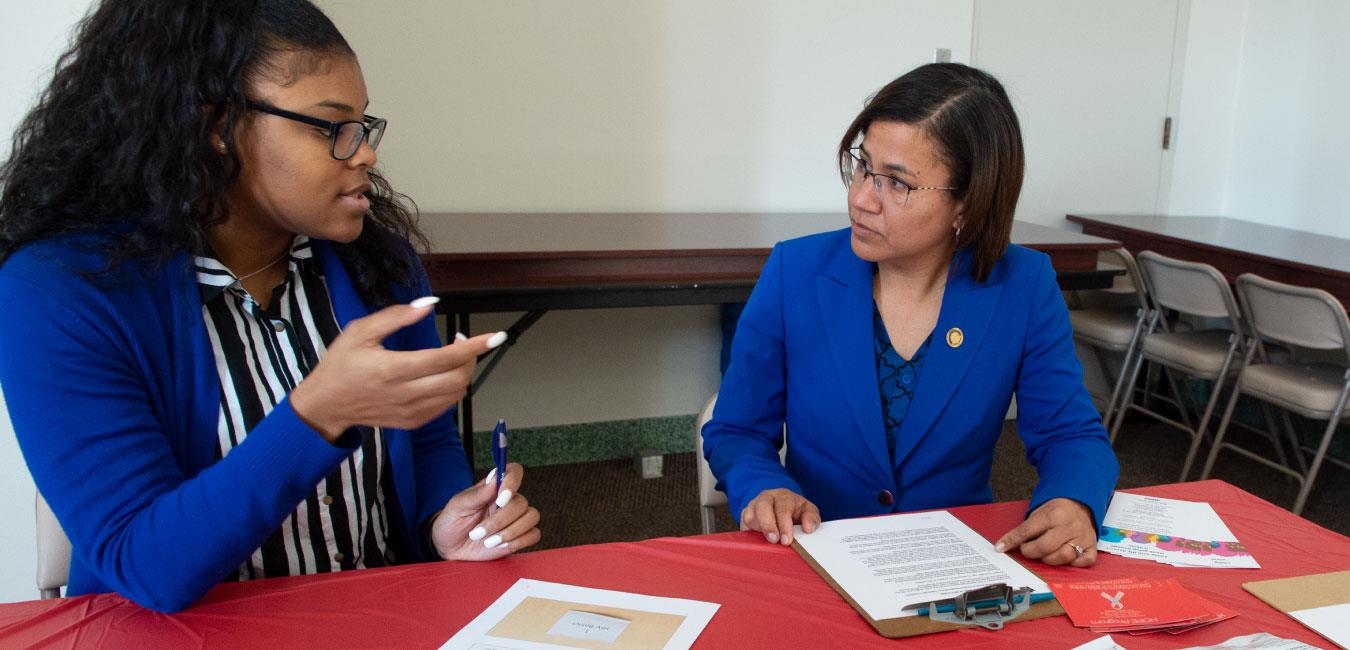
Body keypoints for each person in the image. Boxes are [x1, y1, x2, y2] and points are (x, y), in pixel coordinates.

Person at [0, 0, 539, 612]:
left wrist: (441, 521)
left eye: (363, 126)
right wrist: (317, 413)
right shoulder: (59, 294)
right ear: (214, 123)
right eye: (329, 126)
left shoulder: (377, 265)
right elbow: (145, 566)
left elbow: (425, 441)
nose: (364, 153)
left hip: (378, 619)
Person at [701, 63, 1118, 567]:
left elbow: (1071, 434)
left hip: (950, 565)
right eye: (863, 167)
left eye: (896, 184)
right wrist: (765, 485)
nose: (860, 199)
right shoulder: (796, 271)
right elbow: (738, 430)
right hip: (814, 551)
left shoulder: (1022, 286)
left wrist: (1072, 501)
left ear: (968, 203)